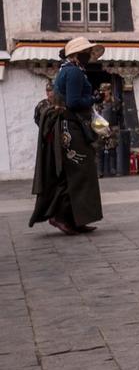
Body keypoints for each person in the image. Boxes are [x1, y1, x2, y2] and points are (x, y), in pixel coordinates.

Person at [30, 36, 105, 235]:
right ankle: (61, 216)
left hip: (67, 126)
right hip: (71, 128)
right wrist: (93, 98)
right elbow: (73, 102)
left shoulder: (67, 70)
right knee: (78, 171)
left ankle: (76, 219)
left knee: (74, 172)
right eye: (86, 53)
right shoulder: (74, 72)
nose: (89, 56)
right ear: (76, 55)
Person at [94, 82, 122, 178]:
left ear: (109, 90)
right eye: (102, 90)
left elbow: (120, 115)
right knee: (99, 150)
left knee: (112, 149)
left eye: (105, 90)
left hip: (112, 127)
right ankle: (99, 171)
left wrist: (119, 127)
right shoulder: (98, 102)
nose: (104, 92)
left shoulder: (116, 101)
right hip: (100, 127)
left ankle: (113, 170)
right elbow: (94, 115)